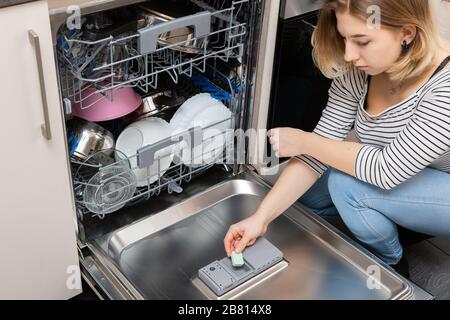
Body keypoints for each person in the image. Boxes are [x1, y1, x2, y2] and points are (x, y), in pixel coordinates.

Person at [223, 0, 450, 277]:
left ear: (407, 33)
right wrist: (260, 218)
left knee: (347, 185)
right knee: (306, 194)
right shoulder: (362, 71)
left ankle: (391, 263)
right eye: (345, 38)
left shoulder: (445, 87)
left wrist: (304, 141)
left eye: (362, 41)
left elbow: (386, 170)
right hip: (411, 171)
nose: (349, 54)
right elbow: (322, 143)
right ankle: (395, 217)